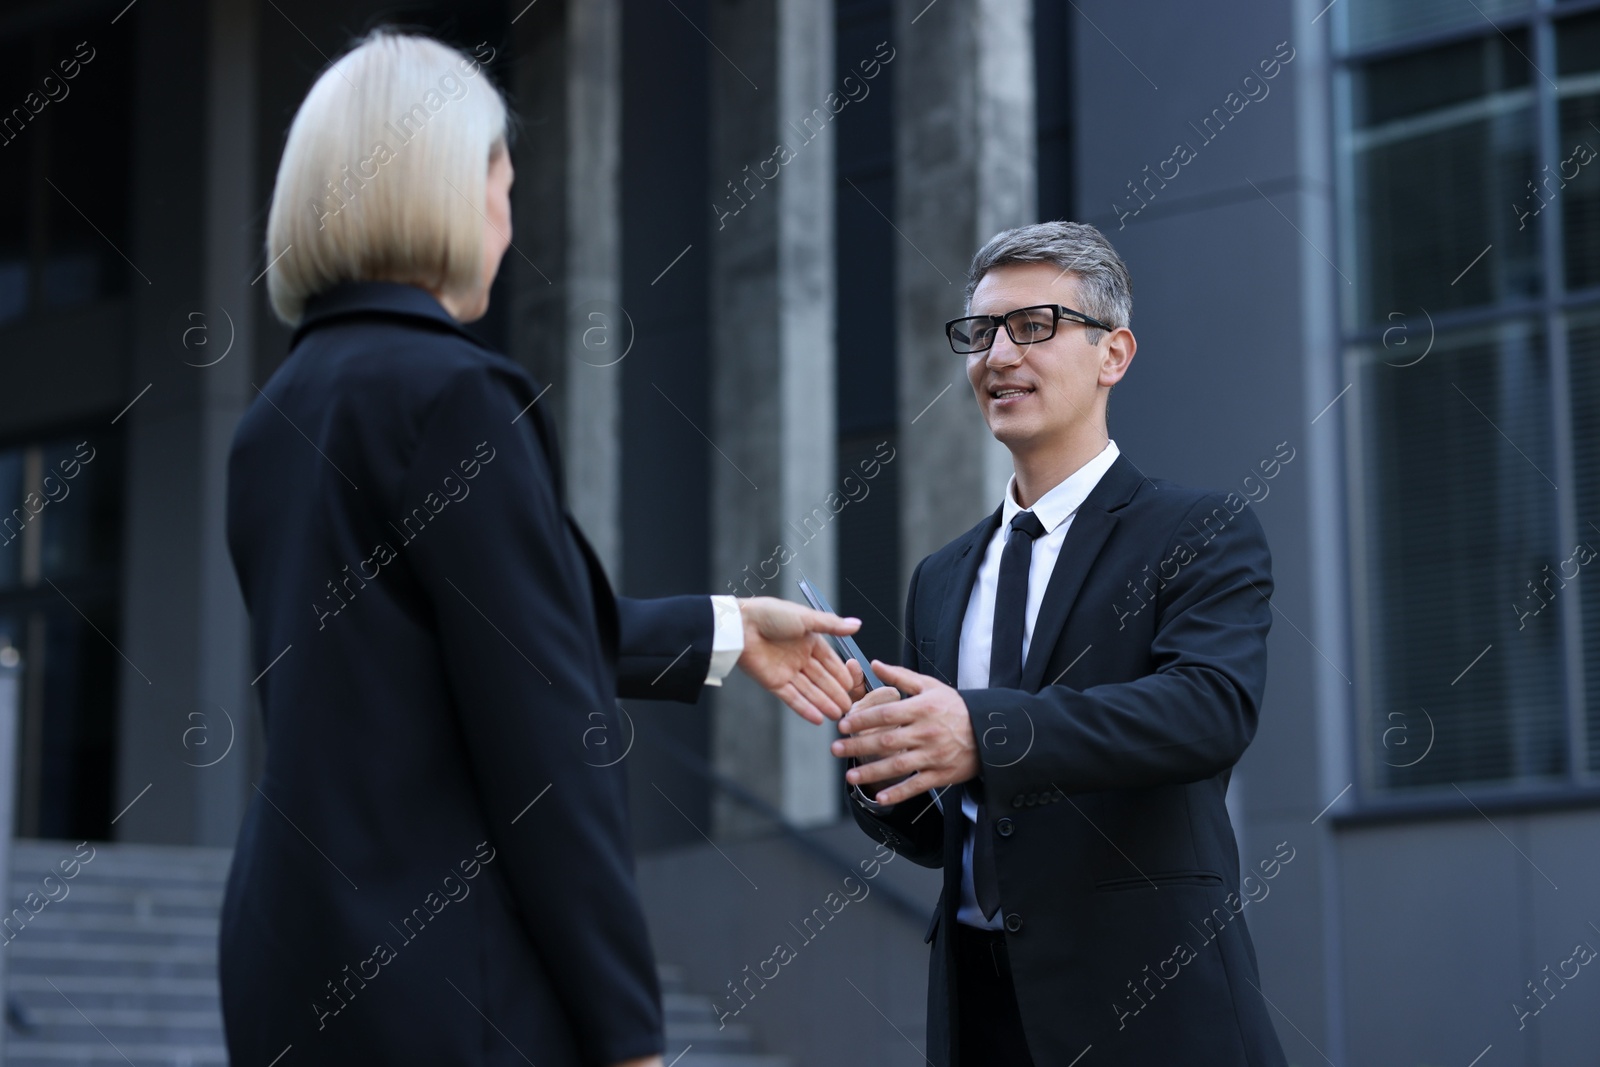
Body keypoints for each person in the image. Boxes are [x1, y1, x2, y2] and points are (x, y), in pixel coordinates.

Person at [222, 29, 858, 1067]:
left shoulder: (278, 415)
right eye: (503, 187)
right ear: (440, 188)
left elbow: (454, 645)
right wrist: (628, 1029)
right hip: (449, 984)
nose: (508, 226)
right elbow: (549, 734)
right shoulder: (457, 395)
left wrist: (733, 628)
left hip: (290, 967)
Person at [832, 221, 1287, 1066]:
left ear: (1113, 353)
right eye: (980, 332)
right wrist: (880, 763)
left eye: (1033, 326)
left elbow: (1208, 710)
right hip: (980, 1011)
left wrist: (980, 730)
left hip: (1151, 1008)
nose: (998, 354)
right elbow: (948, 827)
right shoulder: (941, 574)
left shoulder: (1199, 530)